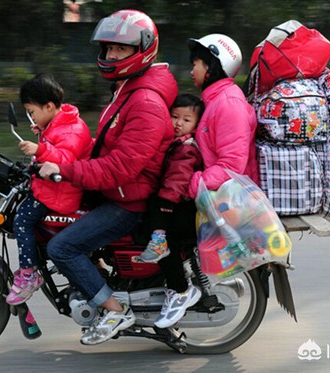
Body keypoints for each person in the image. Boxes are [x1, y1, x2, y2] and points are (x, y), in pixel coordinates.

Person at [38, 9, 177, 345]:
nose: (111, 55)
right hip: (119, 191)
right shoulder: (129, 86)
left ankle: (115, 311)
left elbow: (121, 167)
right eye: (108, 48)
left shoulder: (145, 100)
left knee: (63, 247)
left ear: (142, 49)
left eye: (121, 49)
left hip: (129, 200)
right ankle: (98, 279)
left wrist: (66, 170)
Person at [6, 73, 92, 305]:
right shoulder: (61, 122)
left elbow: (65, 158)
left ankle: (28, 274)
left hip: (61, 194)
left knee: (22, 220)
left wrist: (40, 149)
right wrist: (44, 133)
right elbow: (57, 143)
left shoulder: (72, 129)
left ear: (49, 106)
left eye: (32, 112)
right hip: (54, 189)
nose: (31, 117)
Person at [132, 93, 205, 328]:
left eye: (186, 120)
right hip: (172, 202)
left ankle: (180, 290)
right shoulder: (171, 142)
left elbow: (178, 179)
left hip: (178, 206)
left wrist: (165, 204)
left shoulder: (187, 147)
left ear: (196, 124)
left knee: (165, 246)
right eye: (174, 117)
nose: (178, 123)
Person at [186, 34, 259, 198]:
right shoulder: (214, 100)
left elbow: (231, 165)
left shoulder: (229, 103)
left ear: (211, 66)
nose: (191, 71)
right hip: (217, 195)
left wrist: (193, 184)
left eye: (195, 64)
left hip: (231, 201)